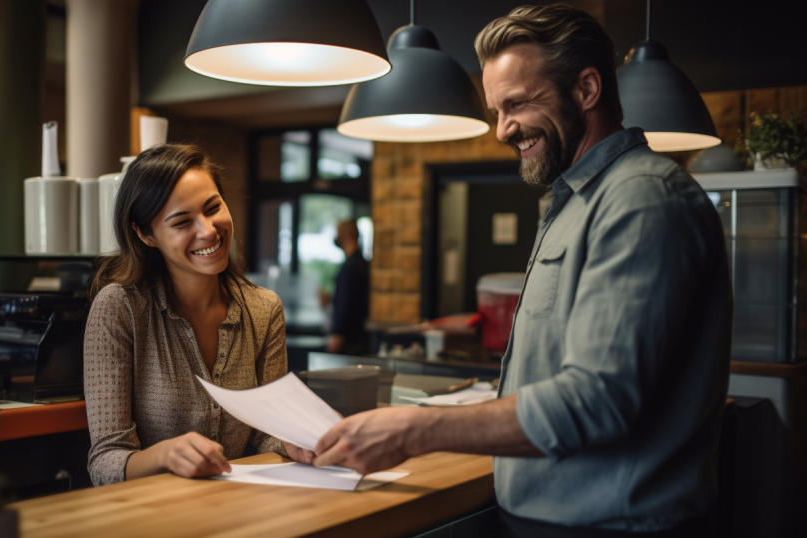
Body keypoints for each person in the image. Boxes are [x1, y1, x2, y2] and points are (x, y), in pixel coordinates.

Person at [305, 4, 731, 535]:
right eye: (495, 111)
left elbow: (601, 400)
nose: (504, 130)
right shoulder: (573, 201)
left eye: (518, 105)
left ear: (587, 90)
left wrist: (415, 428)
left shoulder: (641, 198)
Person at [83, 143, 306, 485]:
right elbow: (105, 462)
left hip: (242, 507)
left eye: (212, 207)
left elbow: (266, 435)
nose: (208, 231)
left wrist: (299, 442)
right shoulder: (119, 308)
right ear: (146, 235)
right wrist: (165, 455)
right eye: (182, 222)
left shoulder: (264, 309)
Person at [325, 219, 370, 355]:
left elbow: (347, 303)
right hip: (358, 337)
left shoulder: (350, 267)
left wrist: (338, 334)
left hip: (350, 341)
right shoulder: (361, 263)